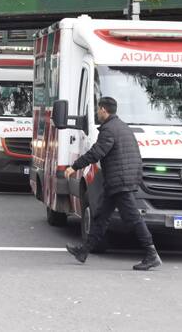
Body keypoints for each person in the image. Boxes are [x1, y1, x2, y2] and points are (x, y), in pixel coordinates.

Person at [64, 96, 161, 271]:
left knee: (133, 218)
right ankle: (84, 251)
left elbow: (96, 153)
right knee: (101, 216)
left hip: (120, 181)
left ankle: (151, 254)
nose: (97, 112)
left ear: (103, 110)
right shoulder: (123, 127)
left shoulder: (109, 130)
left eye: (98, 109)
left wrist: (74, 167)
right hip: (120, 179)